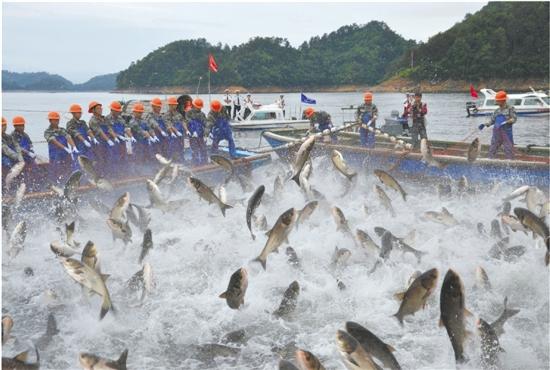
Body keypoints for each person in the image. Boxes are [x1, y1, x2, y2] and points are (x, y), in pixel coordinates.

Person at [479, 90, 517, 160]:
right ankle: (490, 161)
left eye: (498, 101)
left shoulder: (510, 109)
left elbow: (514, 119)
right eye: (497, 101)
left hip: (506, 134)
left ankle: (510, 163)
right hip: (496, 133)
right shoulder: (497, 111)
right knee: (492, 148)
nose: (497, 102)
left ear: (503, 100)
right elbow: (492, 121)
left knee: (508, 149)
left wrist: (506, 122)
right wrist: (485, 124)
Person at [44, 111, 77, 184]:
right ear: (50, 121)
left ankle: (71, 183)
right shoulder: (47, 132)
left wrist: (74, 147)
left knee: (70, 168)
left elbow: (68, 137)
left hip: (65, 154)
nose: (56, 121)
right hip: (55, 155)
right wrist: (65, 148)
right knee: (56, 170)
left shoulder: (62, 130)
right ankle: (55, 185)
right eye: (54, 120)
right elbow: (54, 141)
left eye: (57, 120)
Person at [105, 101, 135, 176]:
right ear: (112, 110)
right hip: (113, 142)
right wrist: (118, 136)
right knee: (113, 158)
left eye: (119, 111)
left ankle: (124, 174)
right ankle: (113, 174)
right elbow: (109, 130)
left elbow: (125, 128)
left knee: (123, 157)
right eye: (117, 111)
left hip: (122, 142)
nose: (118, 112)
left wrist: (131, 136)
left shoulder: (120, 118)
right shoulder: (107, 119)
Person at [88, 101, 117, 176]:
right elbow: (100, 131)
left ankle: (108, 174)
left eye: (101, 108)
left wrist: (115, 137)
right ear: (93, 110)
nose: (100, 110)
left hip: (106, 143)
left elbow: (109, 129)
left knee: (108, 158)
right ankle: (98, 176)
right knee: (99, 160)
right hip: (98, 143)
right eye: (98, 108)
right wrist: (108, 140)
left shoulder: (104, 119)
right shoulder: (92, 121)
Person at [11, 116, 38, 190]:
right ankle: (21, 187)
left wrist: (32, 152)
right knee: (22, 173)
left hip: (28, 157)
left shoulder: (25, 135)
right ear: (15, 126)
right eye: (20, 125)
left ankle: (34, 185)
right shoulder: (13, 136)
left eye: (23, 125)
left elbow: (30, 144)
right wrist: (27, 152)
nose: (22, 127)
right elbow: (17, 148)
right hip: (19, 158)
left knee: (36, 169)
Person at [129, 103, 156, 171]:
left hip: (145, 143)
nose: (140, 114)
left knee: (146, 155)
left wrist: (154, 135)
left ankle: (146, 171)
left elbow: (149, 128)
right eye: (138, 112)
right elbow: (140, 130)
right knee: (137, 157)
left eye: (141, 112)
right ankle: (137, 171)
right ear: (134, 112)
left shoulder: (143, 120)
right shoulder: (132, 121)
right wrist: (149, 137)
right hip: (137, 143)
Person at [184, 98, 208, 166]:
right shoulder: (189, 113)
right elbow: (188, 122)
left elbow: (205, 123)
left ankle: (204, 163)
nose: (199, 109)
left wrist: (207, 134)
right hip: (193, 135)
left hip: (200, 135)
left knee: (203, 149)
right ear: (194, 106)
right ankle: (196, 163)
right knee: (195, 149)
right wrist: (193, 131)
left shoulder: (202, 114)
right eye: (198, 107)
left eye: (200, 107)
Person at [2, 117, 23, 189]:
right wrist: (17, 157)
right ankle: (4, 184)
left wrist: (20, 158)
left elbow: (17, 146)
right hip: (4, 157)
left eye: (4, 125)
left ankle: (17, 182)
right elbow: (5, 149)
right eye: (1, 126)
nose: (3, 127)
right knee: (7, 163)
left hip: (9, 156)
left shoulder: (9, 137)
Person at [163, 97, 185, 162]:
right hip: (172, 136)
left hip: (180, 136)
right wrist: (175, 132)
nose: (174, 106)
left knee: (180, 149)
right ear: (169, 105)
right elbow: (169, 124)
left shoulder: (178, 114)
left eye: (175, 105)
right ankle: (172, 163)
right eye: (172, 105)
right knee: (172, 150)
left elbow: (183, 121)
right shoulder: (166, 115)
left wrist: (186, 130)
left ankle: (181, 161)